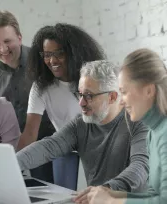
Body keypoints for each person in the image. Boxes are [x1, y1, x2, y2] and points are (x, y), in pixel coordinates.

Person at [85, 48, 167, 204]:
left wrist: (111, 202)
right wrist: (113, 195)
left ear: (149, 90)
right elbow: (155, 196)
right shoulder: (153, 132)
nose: (121, 101)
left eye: (124, 92)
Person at [17, 60, 149, 195]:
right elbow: (48, 146)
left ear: (112, 97)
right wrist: (10, 164)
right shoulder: (80, 125)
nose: (81, 102)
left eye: (89, 96)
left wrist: (107, 190)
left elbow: (140, 167)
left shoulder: (140, 123)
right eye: (80, 94)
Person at [20, 23, 106, 190]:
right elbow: (30, 132)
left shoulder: (92, 80)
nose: (52, 60)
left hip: (97, 150)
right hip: (64, 152)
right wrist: (11, 164)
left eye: (59, 53)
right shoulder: (41, 87)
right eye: (47, 54)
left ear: (74, 53)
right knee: (65, 198)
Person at [0, 10, 55, 182]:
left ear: (20, 37)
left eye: (7, 41)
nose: (3, 49)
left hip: (45, 147)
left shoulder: (40, 62)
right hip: (7, 149)